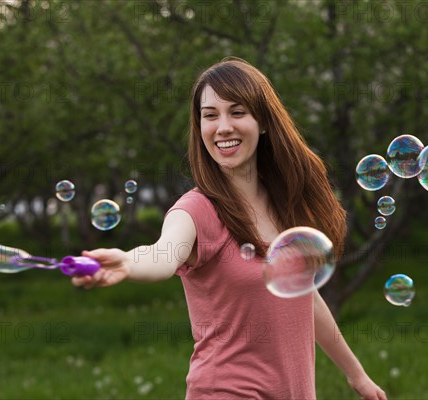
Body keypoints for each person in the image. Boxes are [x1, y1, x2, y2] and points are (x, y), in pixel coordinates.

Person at [72, 57, 387, 400]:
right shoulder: (197, 209)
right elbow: (162, 254)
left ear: (263, 121)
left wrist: (357, 375)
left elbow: (303, 295)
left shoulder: (284, 204)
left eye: (237, 112)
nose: (222, 127)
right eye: (210, 115)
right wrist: (128, 262)